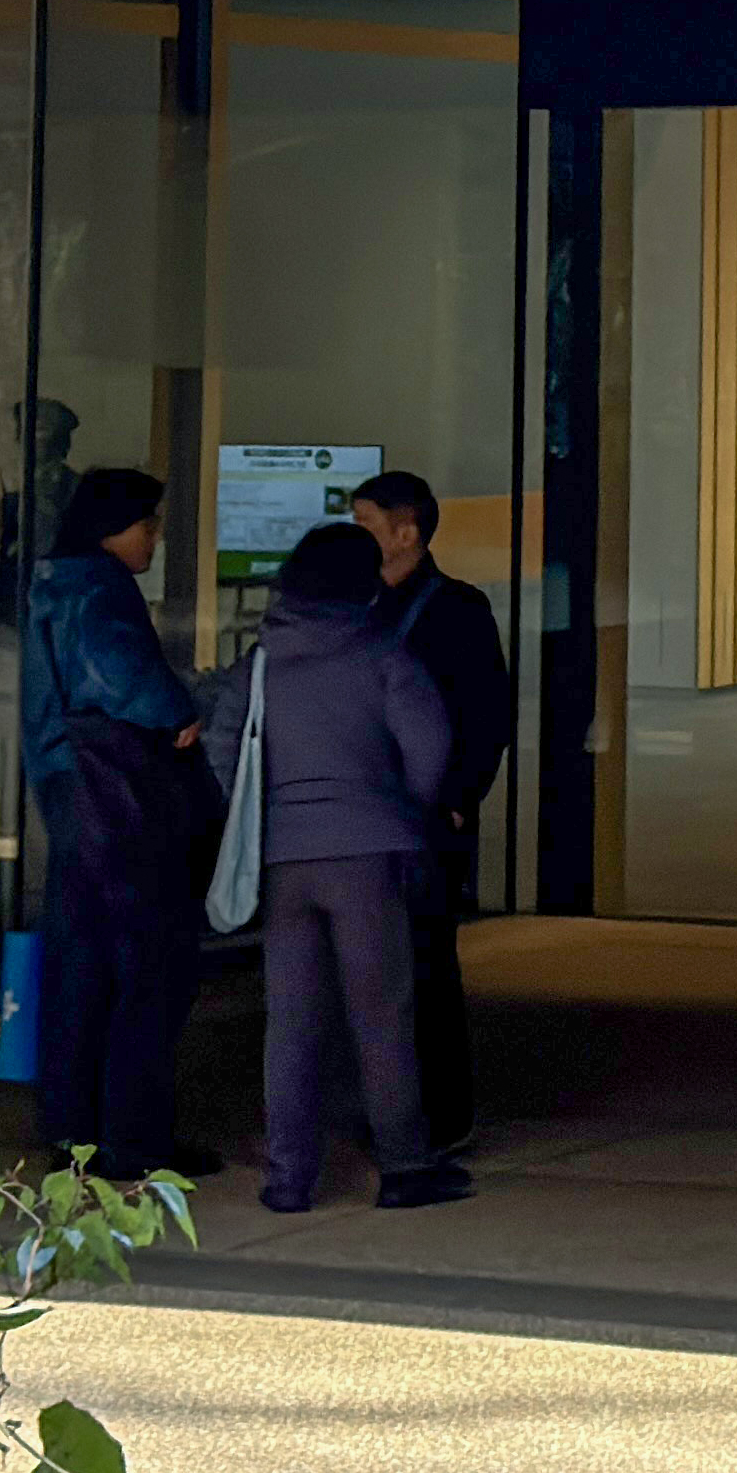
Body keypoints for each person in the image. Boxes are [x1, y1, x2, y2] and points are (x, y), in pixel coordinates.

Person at [213, 515, 467, 1212]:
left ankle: (289, 1178)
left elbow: (225, 747)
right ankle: (407, 1166)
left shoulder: (261, 660)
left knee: (290, 1023)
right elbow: (430, 744)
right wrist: (406, 811)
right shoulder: (382, 653)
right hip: (368, 853)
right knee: (382, 1013)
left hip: (285, 859)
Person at [14, 465, 215, 1188]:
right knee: (146, 964)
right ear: (113, 524)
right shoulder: (96, 585)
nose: (155, 537)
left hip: (70, 785)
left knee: (82, 964)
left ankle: (75, 1132)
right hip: (116, 789)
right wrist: (179, 710)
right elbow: (120, 675)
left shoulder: (50, 578)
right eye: (148, 522)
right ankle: (134, 1138)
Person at [345, 466, 517, 1158]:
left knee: (424, 969)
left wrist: (456, 798)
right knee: (367, 970)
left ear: (406, 531)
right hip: (361, 816)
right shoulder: (350, 608)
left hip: (423, 819)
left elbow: (486, 714)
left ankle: (440, 1115)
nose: (354, 537)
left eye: (364, 523)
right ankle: (382, 1110)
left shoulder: (457, 610)